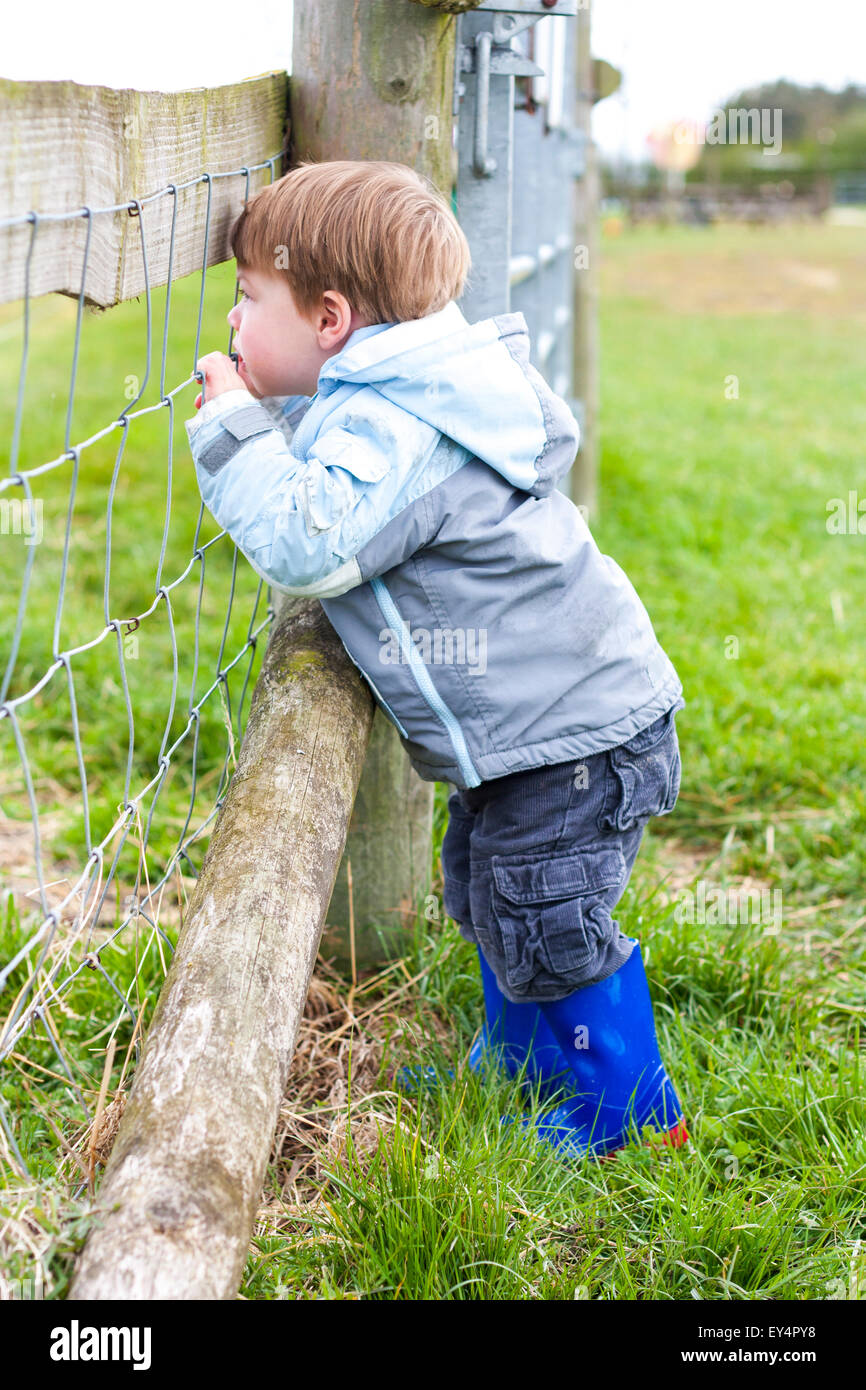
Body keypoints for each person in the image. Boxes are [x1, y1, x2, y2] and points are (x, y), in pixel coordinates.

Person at [186, 158, 688, 1159]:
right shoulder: (401, 390)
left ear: (328, 319)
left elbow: (311, 538)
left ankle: (628, 1117)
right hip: (543, 729)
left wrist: (235, 427)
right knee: (490, 894)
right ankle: (520, 1060)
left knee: (545, 917)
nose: (234, 325)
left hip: (569, 738)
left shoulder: (400, 419)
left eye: (248, 299)